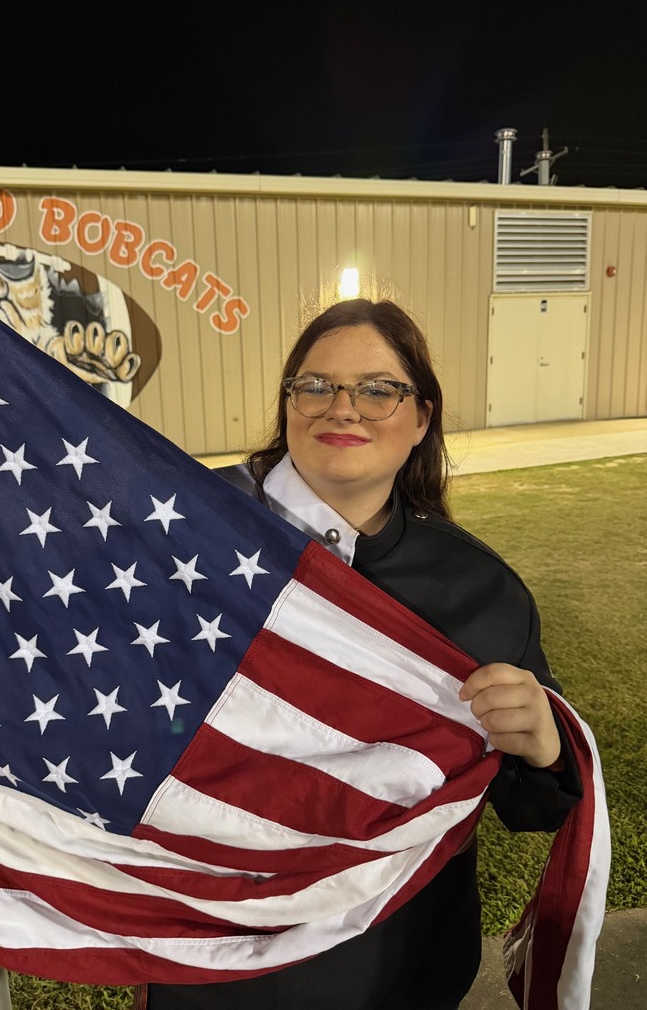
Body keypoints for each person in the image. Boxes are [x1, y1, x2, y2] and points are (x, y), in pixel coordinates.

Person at [143, 297, 582, 1010]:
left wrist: (546, 743)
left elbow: (532, 804)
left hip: (398, 963)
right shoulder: (184, 531)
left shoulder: (477, 588)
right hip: (215, 953)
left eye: (379, 389)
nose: (341, 408)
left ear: (421, 421)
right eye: (314, 385)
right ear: (288, 403)